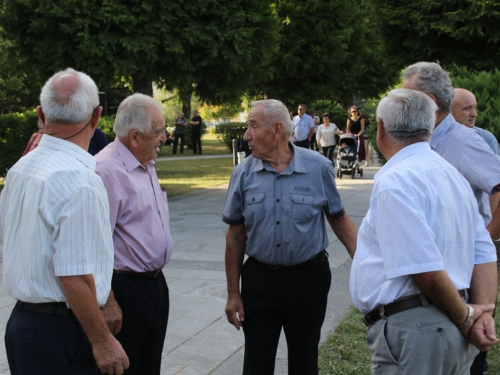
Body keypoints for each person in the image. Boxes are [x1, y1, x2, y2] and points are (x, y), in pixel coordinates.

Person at [350, 88, 499, 375]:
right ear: (430, 127)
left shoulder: (395, 180)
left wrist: (468, 318)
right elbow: (483, 250)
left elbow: (423, 268)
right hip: (450, 324)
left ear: (380, 128)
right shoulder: (451, 175)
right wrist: (482, 311)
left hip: (419, 330)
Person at [0, 68, 129, 374]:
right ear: (97, 117)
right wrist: (103, 341)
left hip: (24, 324)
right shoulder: (79, 180)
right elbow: (73, 276)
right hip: (61, 331)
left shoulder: (21, 167)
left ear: (40, 115)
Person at [223, 99, 357, 374]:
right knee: (257, 363)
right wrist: (233, 293)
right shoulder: (243, 174)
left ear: (277, 129)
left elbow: (338, 218)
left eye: (253, 126)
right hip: (259, 280)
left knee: (305, 360)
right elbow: (235, 237)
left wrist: (366, 265)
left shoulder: (318, 168)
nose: (246, 135)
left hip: (308, 279)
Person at [402, 62, 500, 375]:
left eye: (407, 97)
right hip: (429, 277)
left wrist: (488, 236)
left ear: (429, 101)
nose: (401, 104)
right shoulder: (424, 141)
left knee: (466, 360)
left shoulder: (465, 142)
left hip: (462, 274)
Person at [95, 93, 173, 375]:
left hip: (153, 285)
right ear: (135, 136)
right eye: (158, 131)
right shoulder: (107, 170)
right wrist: (108, 300)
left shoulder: (145, 161)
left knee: (149, 366)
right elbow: (94, 245)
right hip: (125, 290)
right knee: (126, 368)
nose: (164, 137)